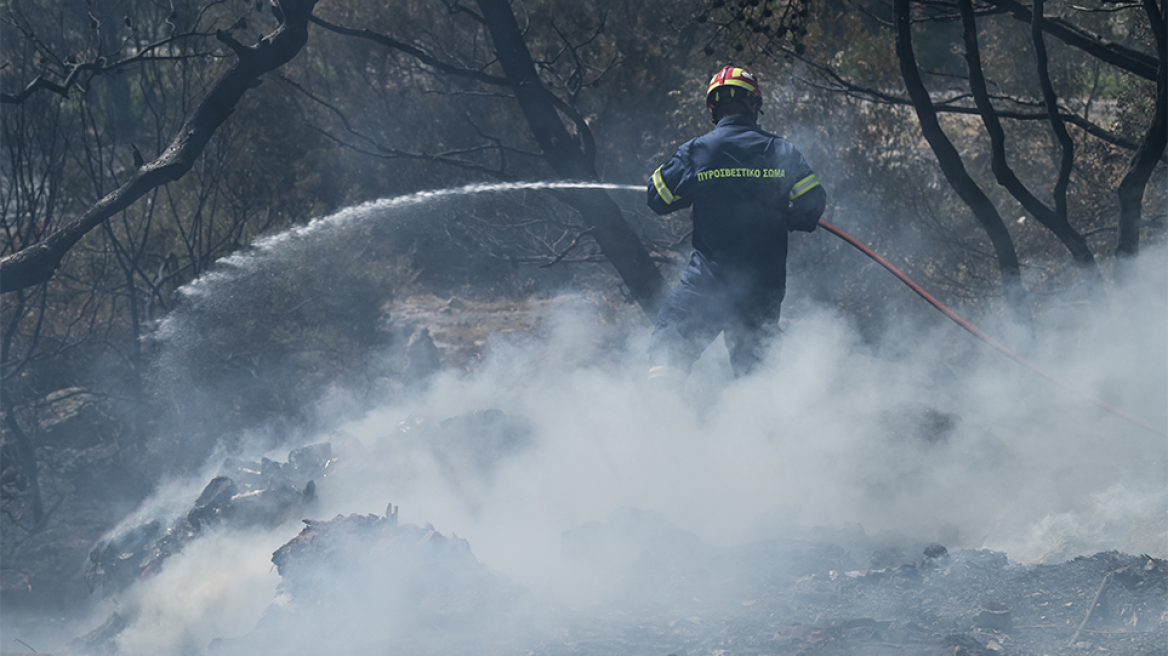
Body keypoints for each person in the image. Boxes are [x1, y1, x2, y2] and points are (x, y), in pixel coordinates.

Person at [646, 65, 827, 383]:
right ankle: (758, 431)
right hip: (764, 287)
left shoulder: (698, 151)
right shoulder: (782, 152)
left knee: (670, 348)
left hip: (709, 283)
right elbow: (812, 205)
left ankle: (663, 422)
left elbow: (657, 197)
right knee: (756, 376)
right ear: (754, 105)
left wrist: (691, 188)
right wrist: (791, 215)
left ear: (712, 108)